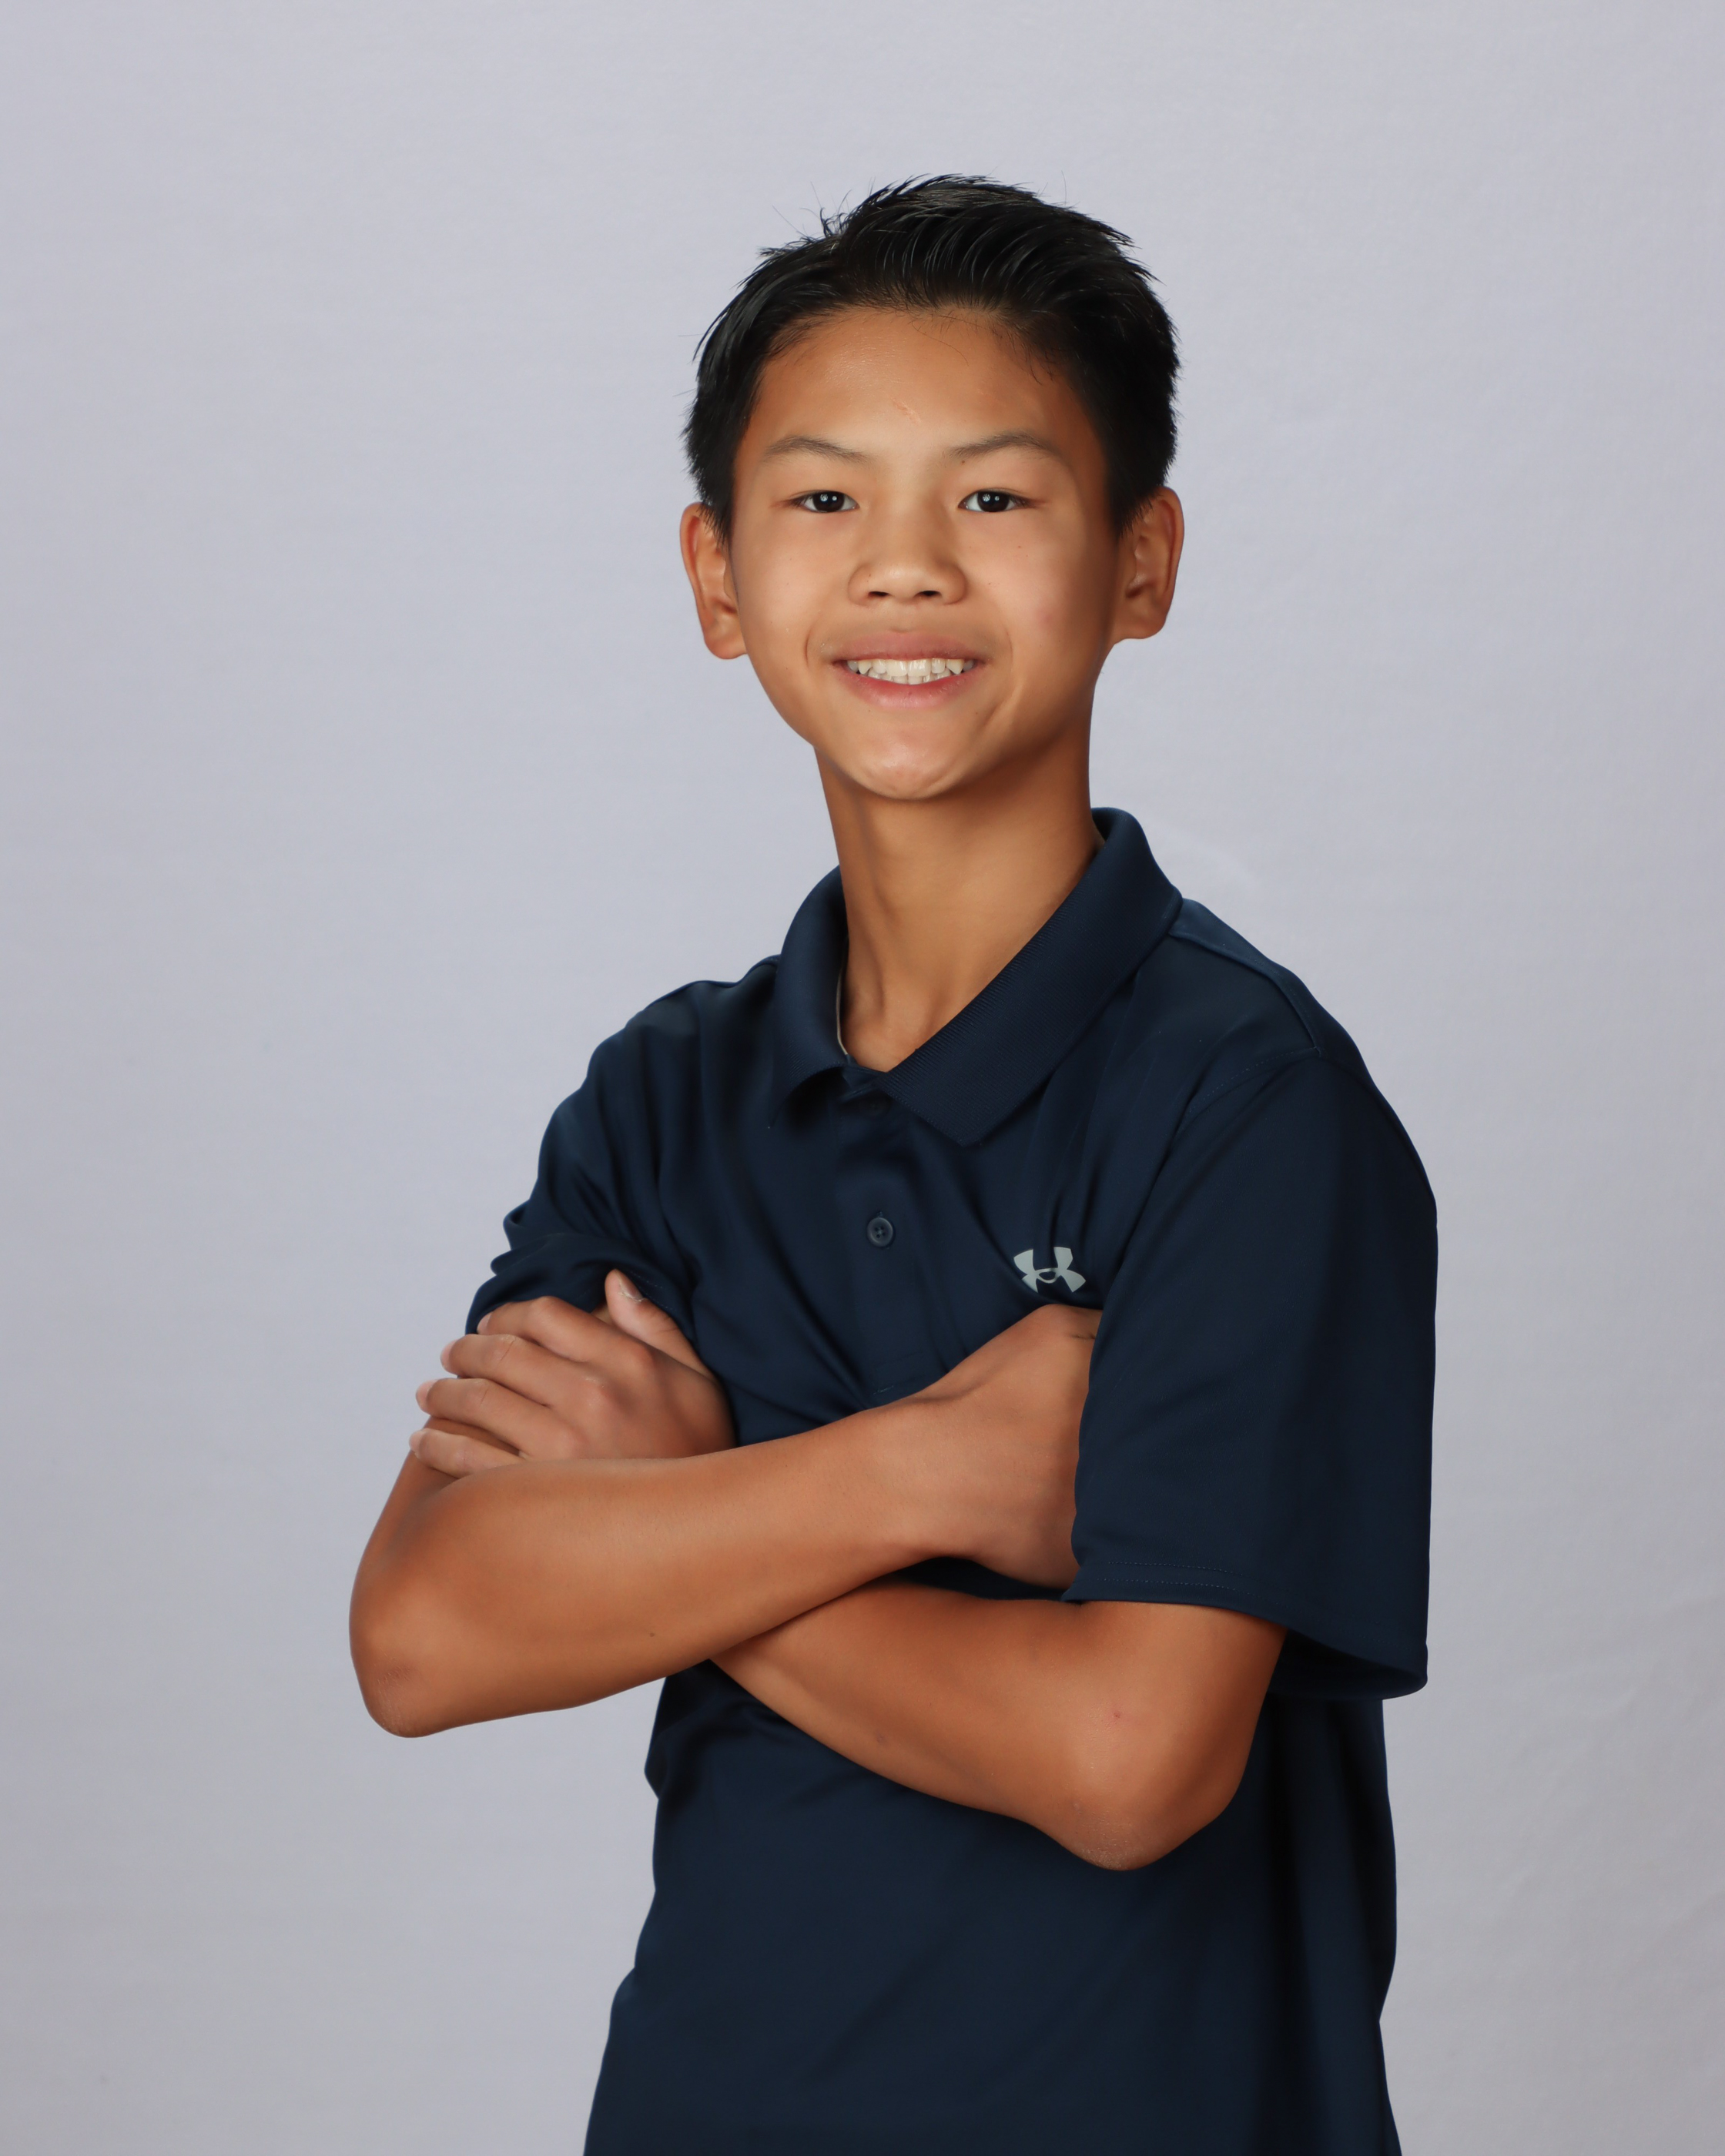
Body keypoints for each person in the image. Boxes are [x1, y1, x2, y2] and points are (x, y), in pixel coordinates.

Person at [350, 176, 1436, 2155]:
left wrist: (681, 1524)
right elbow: (427, 1629)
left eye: (995, 495)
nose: (905, 565)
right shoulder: (669, 1094)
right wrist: (916, 1471)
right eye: (825, 496)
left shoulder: (1245, 1101)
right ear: (717, 573)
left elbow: (1127, 1756)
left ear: (1140, 559)